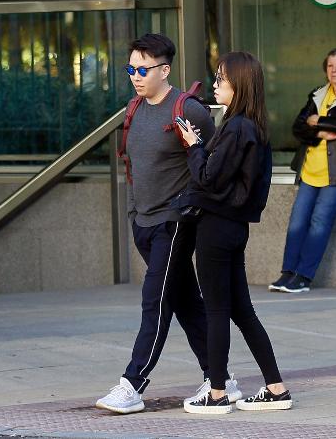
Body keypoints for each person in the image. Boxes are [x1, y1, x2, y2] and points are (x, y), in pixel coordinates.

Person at [96, 34, 235, 414]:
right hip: (143, 220)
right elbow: (133, 167)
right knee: (185, 301)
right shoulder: (133, 109)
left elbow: (208, 167)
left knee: (154, 301)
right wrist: (132, 213)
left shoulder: (188, 110)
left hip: (174, 222)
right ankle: (220, 378)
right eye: (131, 69)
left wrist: (186, 210)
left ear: (165, 70)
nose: (136, 77)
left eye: (143, 69)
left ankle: (133, 383)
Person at [177, 51, 293, 415]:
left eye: (220, 79)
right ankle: (276, 387)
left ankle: (216, 393)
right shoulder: (253, 126)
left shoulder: (237, 126)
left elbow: (209, 177)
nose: (214, 84)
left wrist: (194, 146)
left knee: (216, 310)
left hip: (216, 226)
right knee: (242, 310)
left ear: (238, 85)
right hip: (235, 227)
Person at [274, 48, 336, 294]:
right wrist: (320, 131)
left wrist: (316, 120)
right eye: (330, 66)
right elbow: (298, 126)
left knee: (320, 221)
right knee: (297, 222)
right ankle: (287, 273)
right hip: (311, 170)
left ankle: (303, 277)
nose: (334, 70)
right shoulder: (318, 95)